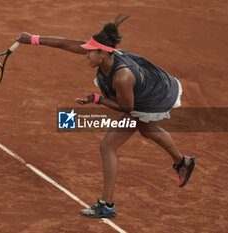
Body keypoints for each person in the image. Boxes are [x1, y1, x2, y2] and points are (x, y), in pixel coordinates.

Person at [16, 14, 195, 219]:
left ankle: (106, 205)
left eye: (90, 53)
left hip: (153, 96)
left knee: (108, 146)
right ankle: (183, 162)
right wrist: (33, 39)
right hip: (150, 87)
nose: (86, 55)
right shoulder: (104, 55)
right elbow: (67, 43)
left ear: (102, 54)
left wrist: (97, 99)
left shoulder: (122, 76)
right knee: (147, 130)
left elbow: (127, 108)